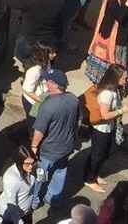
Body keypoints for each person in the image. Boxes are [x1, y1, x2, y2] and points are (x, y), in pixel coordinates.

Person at [29, 70, 82, 214]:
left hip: (49, 150)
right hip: (67, 146)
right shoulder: (73, 99)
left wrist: (34, 147)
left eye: (48, 81)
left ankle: (33, 201)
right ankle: (54, 199)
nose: (45, 83)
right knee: (60, 172)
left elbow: (39, 130)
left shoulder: (48, 105)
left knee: (39, 175)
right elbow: (78, 121)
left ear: (54, 84)